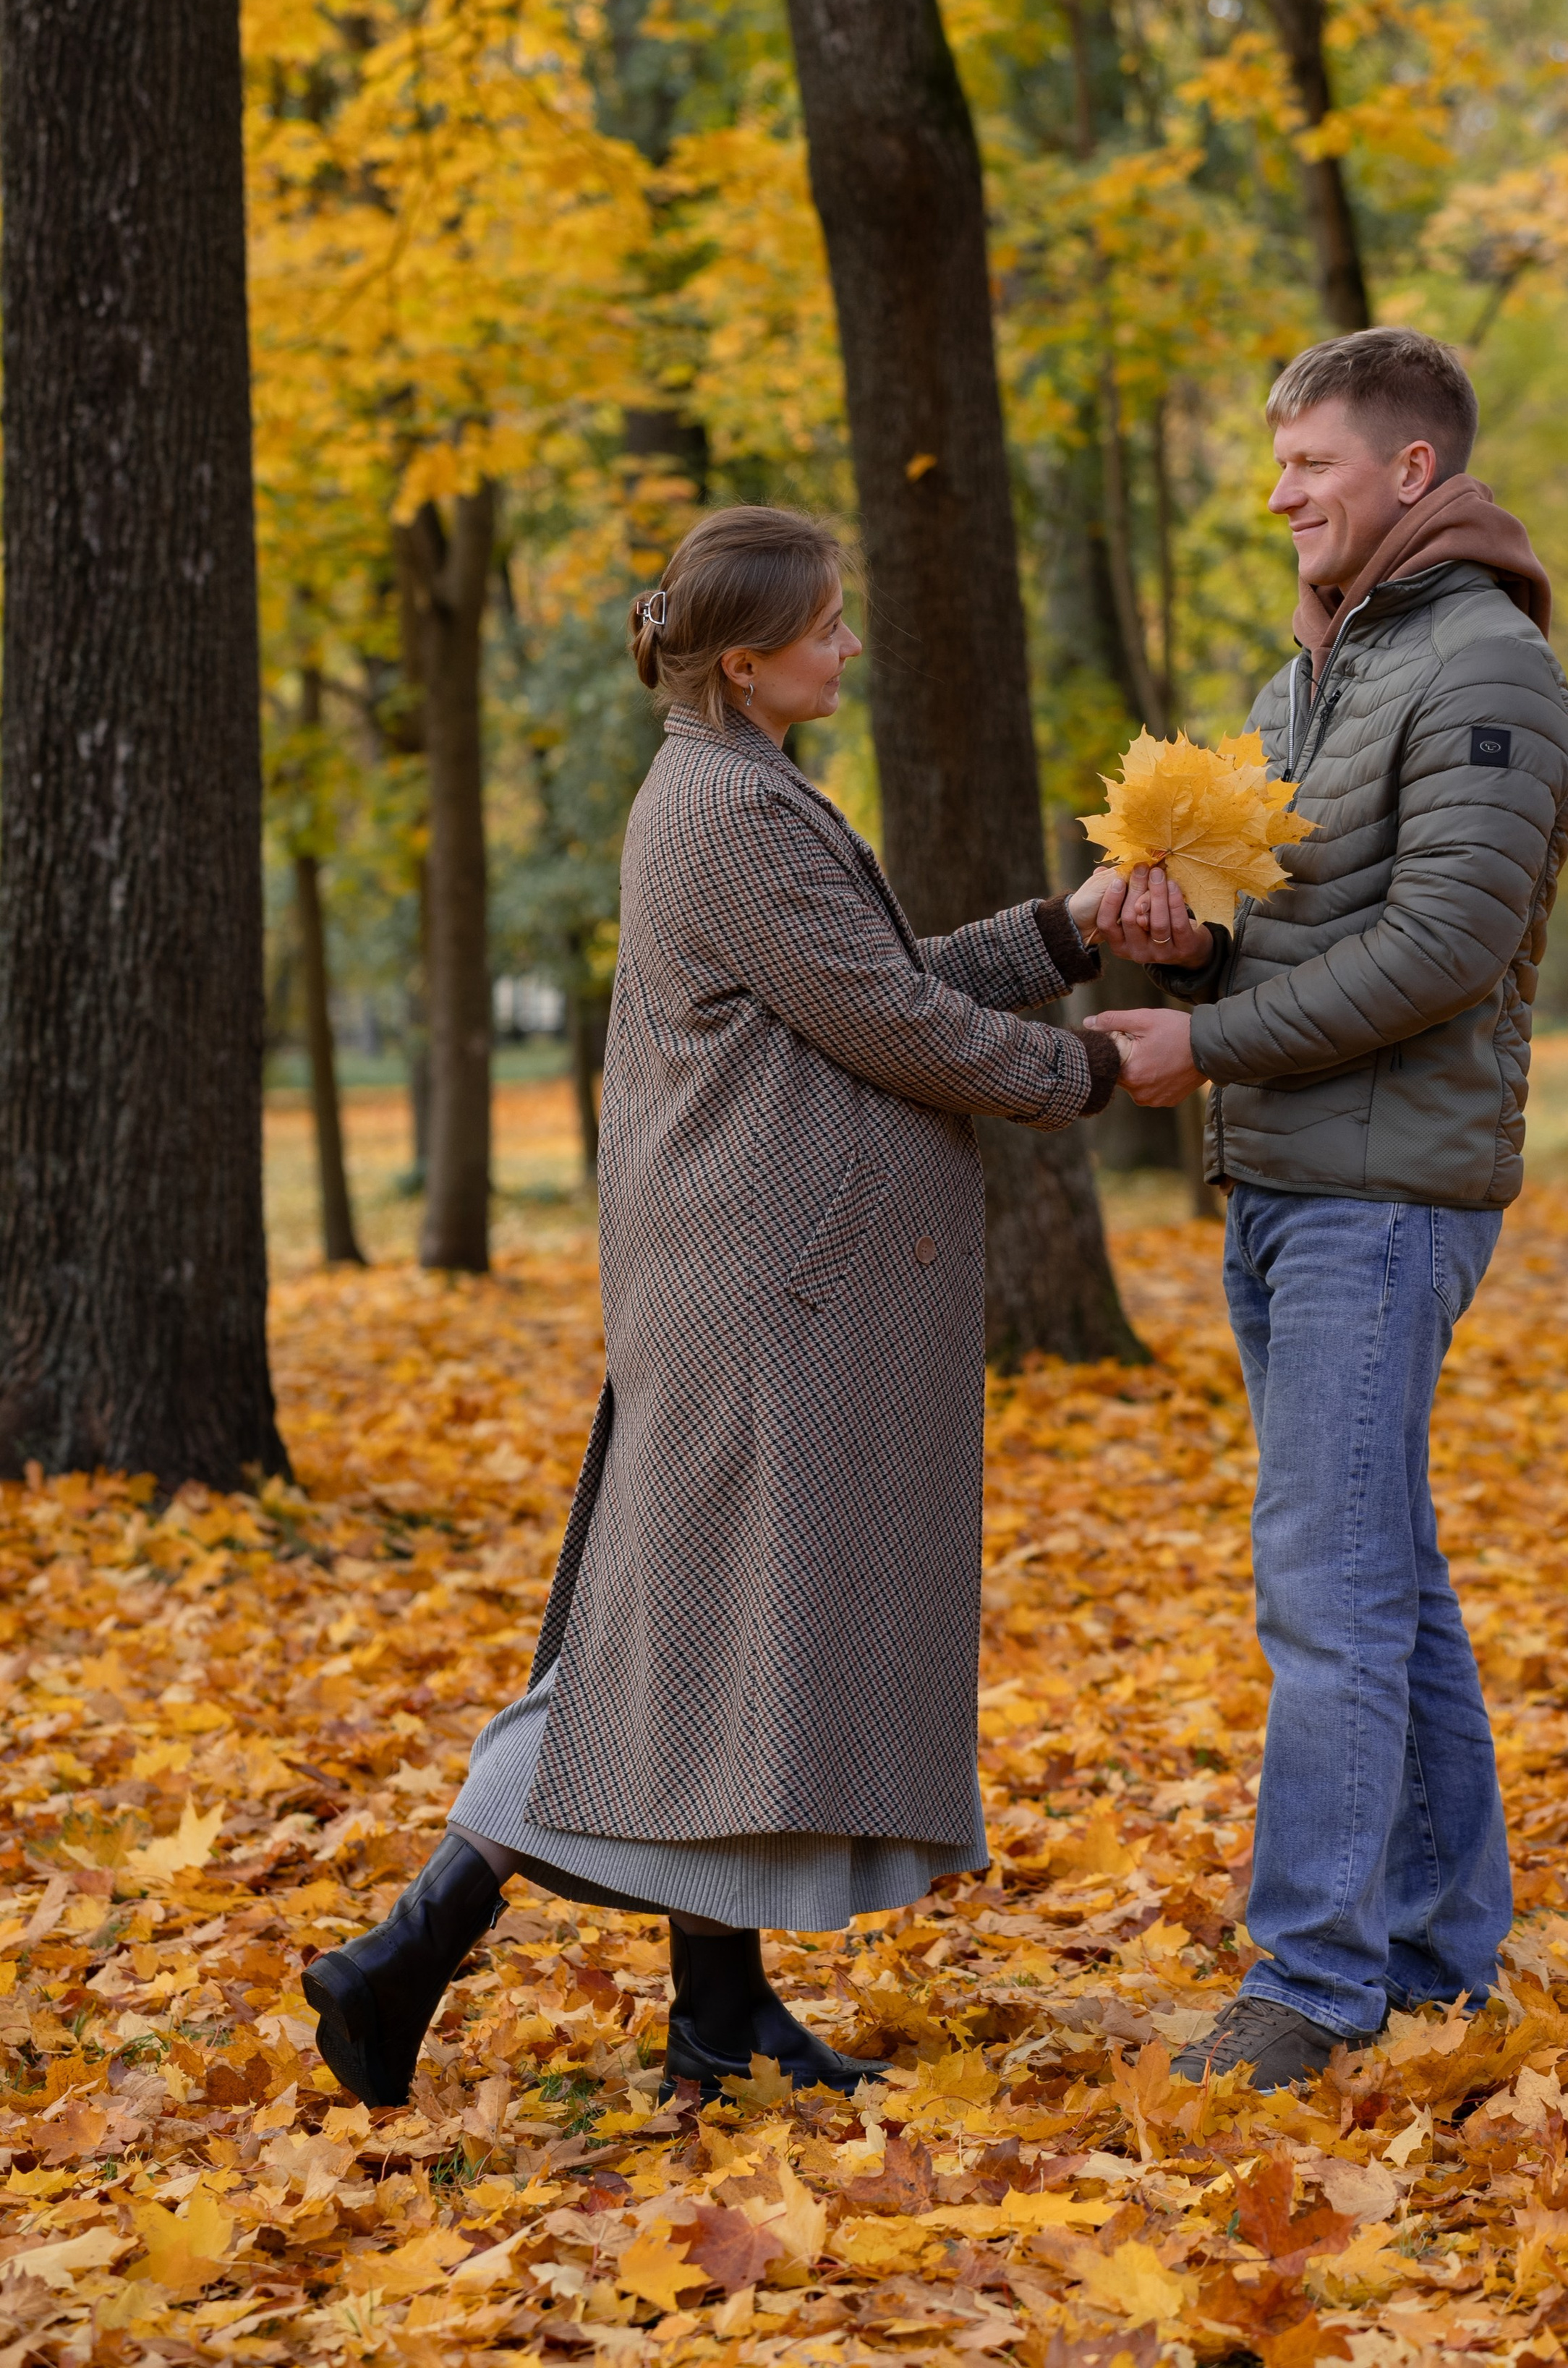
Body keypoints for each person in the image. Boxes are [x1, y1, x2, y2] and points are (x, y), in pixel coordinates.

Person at [306, 505, 1135, 2110]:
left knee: (722, 1631)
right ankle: (403, 1956)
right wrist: (1090, 1070)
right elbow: (892, 1020)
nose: (848, 646)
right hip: (761, 1287)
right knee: (663, 1640)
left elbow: (868, 979)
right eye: (825, 628)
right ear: (746, 663)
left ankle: (713, 2011)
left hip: (756, 1273)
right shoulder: (727, 809)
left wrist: (1066, 932)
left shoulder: (740, 788)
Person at [1087, 328, 1568, 2093]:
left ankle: (1308, 1981)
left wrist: (1205, 1042)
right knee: (1383, 1577)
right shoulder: (1306, 674)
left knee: (1326, 1589)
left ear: (1409, 469)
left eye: (1308, 462)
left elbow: (1443, 946)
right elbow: (1280, 917)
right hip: (1289, 1179)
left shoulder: (1482, 671)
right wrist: (1183, 943)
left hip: (1378, 1198)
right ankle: (1439, 1948)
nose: (1275, 492)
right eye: (1276, 459)